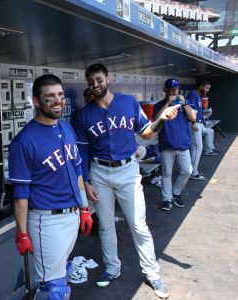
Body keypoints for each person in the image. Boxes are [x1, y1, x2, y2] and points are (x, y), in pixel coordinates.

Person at [74, 63, 179, 299]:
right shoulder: (84, 114)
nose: (96, 85)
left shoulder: (128, 102)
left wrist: (162, 118)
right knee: (105, 225)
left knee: (138, 225)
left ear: (108, 79)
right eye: (91, 82)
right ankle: (112, 268)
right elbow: (82, 153)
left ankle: (152, 274)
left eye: (99, 80)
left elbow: (146, 134)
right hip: (99, 172)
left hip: (127, 171)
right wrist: (87, 182)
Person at [9, 74, 93, 300]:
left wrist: (84, 208)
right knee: (55, 289)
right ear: (36, 101)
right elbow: (20, 194)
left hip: (71, 216)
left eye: (60, 95)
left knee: (61, 275)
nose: (57, 101)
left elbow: (77, 172)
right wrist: (22, 232)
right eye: (49, 97)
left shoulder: (66, 129)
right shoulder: (24, 141)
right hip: (47, 223)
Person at [153, 78, 196, 211]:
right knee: (166, 173)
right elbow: (156, 118)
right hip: (167, 145)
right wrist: (168, 102)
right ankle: (167, 199)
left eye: (176, 88)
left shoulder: (184, 103)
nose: (174, 90)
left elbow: (193, 117)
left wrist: (184, 104)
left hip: (183, 144)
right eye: (171, 88)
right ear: (165, 89)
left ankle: (175, 193)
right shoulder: (160, 104)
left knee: (187, 170)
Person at [186, 80, 215, 180]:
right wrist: (193, 123)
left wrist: (205, 113)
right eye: (206, 88)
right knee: (197, 148)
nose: (207, 90)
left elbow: (197, 111)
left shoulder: (198, 96)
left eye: (208, 88)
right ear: (200, 86)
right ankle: (193, 172)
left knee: (197, 147)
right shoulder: (193, 95)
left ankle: (191, 170)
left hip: (199, 123)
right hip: (194, 124)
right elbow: (189, 110)